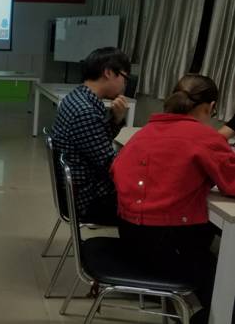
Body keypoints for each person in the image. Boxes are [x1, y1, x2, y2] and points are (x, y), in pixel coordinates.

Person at [111, 74, 235, 324]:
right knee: (225, 286)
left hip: (129, 237)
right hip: (167, 248)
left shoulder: (144, 132)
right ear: (210, 107)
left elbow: (116, 170)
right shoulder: (205, 138)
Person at [51, 47, 130, 224]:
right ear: (108, 73)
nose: (124, 85)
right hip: (89, 200)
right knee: (152, 204)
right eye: (124, 78)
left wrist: (116, 120)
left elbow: (95, 143)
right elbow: (110, 165)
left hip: (78, 191)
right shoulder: (85, 111)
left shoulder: (76, 97)